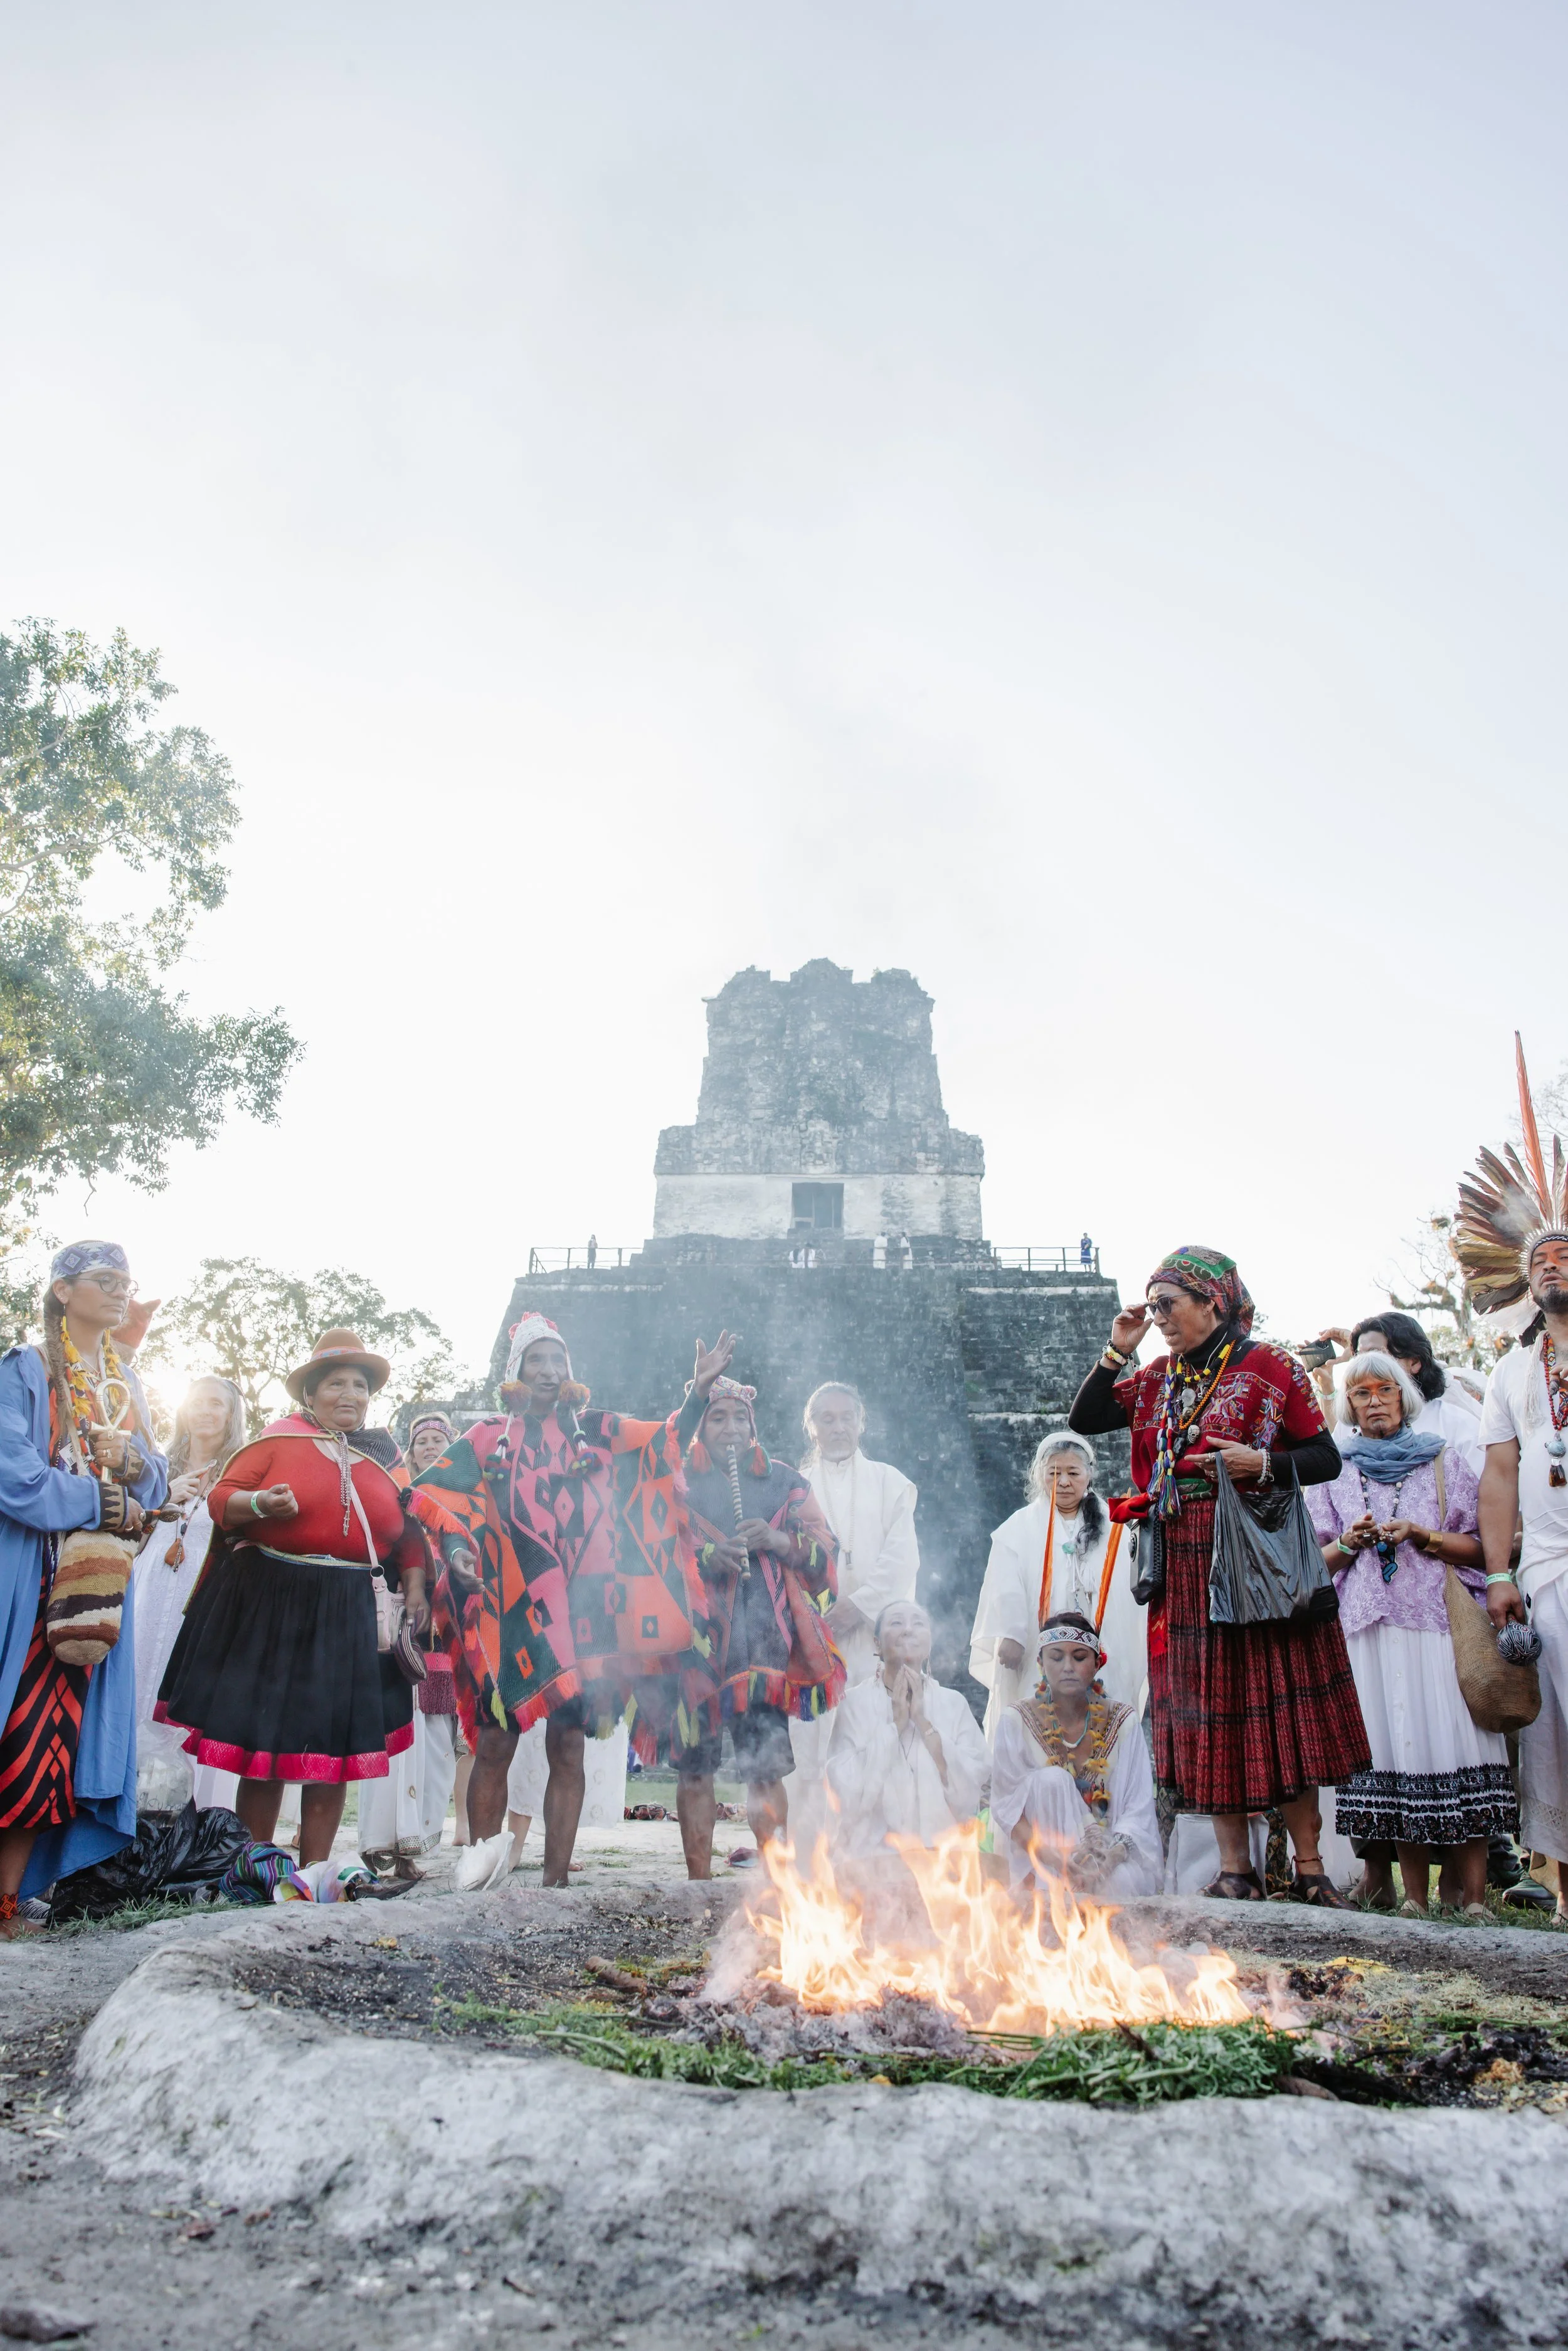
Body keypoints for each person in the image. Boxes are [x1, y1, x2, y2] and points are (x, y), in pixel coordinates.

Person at [1069, 1245, 1368, 1906]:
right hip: (1181, 1557)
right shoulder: (1156, 1376)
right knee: (1209, 1708)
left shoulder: (1269, 1366)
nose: (1158, 1317)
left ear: (1213, 1302)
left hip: (1255, 1550)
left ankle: (1309, 1868)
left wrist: (1262, 1464)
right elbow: (1084, 1419)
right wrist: (1117, 1349)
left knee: (1277, 1702)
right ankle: (1236, 1869)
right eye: (1153, 1306)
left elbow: (1324, 1457)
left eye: (1167, 1304)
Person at [418, 1315, 719, 1889]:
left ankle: (555, 1881)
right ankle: (479, 1878)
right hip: (511, 1610)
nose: (550, 1371)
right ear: (517, 1371)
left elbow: (662, 1442)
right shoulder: (486, 1436)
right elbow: (443, 1500)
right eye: (537, 1360)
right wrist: (457, 1555)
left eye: (559, 1361)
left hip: (584, 1612)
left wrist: (698, 1395)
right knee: (496, 1742)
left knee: (569, 1743)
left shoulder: (598, 1431)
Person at [156, 1330, 440, 1871]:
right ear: (310, 1394)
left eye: (360, 1385)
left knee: (333, 1751)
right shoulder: (277, 1440)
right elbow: (222, 1499)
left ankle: (314, 1875)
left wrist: (417, 1586)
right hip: (278, 1606)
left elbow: (409, 1533)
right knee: (268, 1745)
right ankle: (256, 1867)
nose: (350, 1394)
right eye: (336, 1384)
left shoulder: (385, 1458)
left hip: (351, 1612)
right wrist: (260, 1503)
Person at [1305, 1351, 1513, 1916]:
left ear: (1405, 1395)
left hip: (1440, 1626)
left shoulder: (1445, 1461)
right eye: (1362, 1393)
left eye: (1385, 1390)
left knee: (1455, 1744)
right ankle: (1413, 1899)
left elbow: (1486, 1547)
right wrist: (1349, 1543)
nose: (1375, 1402)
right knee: (1397, 1752)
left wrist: (1424, 1535)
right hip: (1368, 1633)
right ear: (1349, 1405)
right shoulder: (1334, 1472)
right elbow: (1313, 1562)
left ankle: (1473, 1898)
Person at [1, 1241, 168, 1929]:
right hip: (25, 1572)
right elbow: (12, 1471)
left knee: (54, 1739)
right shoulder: (26, 1367)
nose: (122, 1291)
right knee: (15, 1724)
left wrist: (133, 1466)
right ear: (63, 1290)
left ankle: (7, 1898)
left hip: (92, 1584)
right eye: (105, 1280)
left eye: (126, 1282)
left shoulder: (125, 1380)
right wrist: (95, 1499)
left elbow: (156, 1479)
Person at [1452, 1073, 1568, 1921]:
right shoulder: (1512, 1371)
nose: (1552, 1264)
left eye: (1564, 1253)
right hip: (1551, 1568)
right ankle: (1565, 1892)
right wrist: (1498, 1573)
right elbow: (1499, 1478)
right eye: (1540, 1260)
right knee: (1556, 1733)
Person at [672, 1364, 843, 1875]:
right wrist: (707, 1557)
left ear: (752, 1424)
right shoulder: (676, 1480)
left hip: (763, 1645)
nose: (730, 1428)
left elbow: (827, 1549)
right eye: (717, 1417)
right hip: (695, 1646)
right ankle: (698, 1881)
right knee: (695, 1768)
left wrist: (778, 1540)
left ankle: (775, 1878)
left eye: (739, 1418)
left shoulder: (785, 1481)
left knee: (765, 1770)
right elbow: (650, 1549)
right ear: (701, 1426)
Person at [787, 1382, 919, 1846]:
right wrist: (816, 1615)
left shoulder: (891, 1484)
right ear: (811, 1427)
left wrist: (859, 1606)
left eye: (847, 1418)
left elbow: (902, 1557)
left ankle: (871, 1853)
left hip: (871, 1641)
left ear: (862, 1423)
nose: (838, 1427)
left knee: (873, 1739)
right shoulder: (794, 1488)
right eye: (827, 1418)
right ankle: (808, 1857)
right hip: (812, 1639)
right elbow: (785, 1560)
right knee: (810, 1749)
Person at [969, 1431, 1145, 1738]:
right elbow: (1005, 1585)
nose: (1063, 1482)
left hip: (1100, 1649)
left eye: (1073, 1473)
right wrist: (1011, 1633)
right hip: (1039, 1649)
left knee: (1101, 1729)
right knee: (1037, 1730)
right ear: (1040, 1476)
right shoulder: (1018, 1528)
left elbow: (1128, 1592)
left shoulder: (1114, 1526)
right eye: (1054, 1473)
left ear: (1089, 1475)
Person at [131, 1374, 247, 1800]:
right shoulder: (156, 1469)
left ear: (231, 1415)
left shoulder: (240, 1475)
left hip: (202, 1602)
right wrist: (160, 1500)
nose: (204, 1411)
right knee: (139, 1683)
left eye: (216, 1403)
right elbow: (130, 1535)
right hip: (147, 1597)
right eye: (197, 1401)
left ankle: (190, 1810)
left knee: (188, 1696)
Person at [990, 1613, 1162, 1901]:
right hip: (1044, 1861)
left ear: (1097, 1663)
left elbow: (1138, 1810)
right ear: (1041, 1663)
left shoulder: (1124, 1721)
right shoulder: (1015, 1720)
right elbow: (1008, 1812)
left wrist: (1108, 1860)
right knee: (1051, 1781)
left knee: (1119, 1884)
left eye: (1080, 1657)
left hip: (1109, 1857)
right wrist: (1059, 1862)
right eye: (1056, 1657)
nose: (1068, 1667)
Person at [824, 1600, 988, 1860]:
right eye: (897, 1622)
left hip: (942, 1856)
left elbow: (972, 1781)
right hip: (873, 1857)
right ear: (877, 1644)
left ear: (929, 1644)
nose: (908, 1630)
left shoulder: (953, 1703)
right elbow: (841, 1783)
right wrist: (895, 1727)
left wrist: (923, 1722)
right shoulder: (854, 1702)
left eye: (918, 1623)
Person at [1318, 1312, 1486, 1477]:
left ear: (1415, 1362)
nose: (1367, 1365)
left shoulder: (1458, 1424)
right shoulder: (1348, 1428)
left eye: (1377, 1354)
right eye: (1360, 1357)